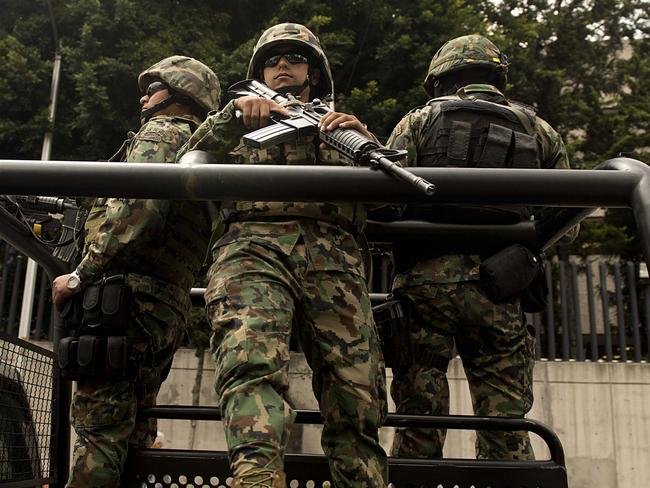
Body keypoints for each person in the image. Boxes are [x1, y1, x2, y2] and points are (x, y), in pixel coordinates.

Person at [177, 23, 387, 488]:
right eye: (272, 60)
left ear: (313, 72)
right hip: (252, 249)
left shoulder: (343, 128)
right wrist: (231, 117)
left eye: (294, 58)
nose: (282, 65)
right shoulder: (234, 121)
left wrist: (363, 139)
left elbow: (391, 198)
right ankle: (256, 480)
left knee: (358, 388)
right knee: (249, 362)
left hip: (334, 257)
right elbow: (185, 167)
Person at [385, 34, 574, 460]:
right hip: (500, 287)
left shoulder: (417, 121)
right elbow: (567, 224)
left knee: (420, 418)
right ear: (496, 76)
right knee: (505, 425)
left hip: (424, 288)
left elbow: (387, 200)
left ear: (442, 78)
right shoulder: (538, 130)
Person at [51, 55, 220, 487]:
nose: (144, 97)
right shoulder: (202, 149)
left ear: (180, 93)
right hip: (165, 304)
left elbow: (134, 211)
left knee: (99, 433)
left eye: (153, 88)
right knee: (135, 429)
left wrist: (80, 275)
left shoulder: (162, 133)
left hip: (123, 300)